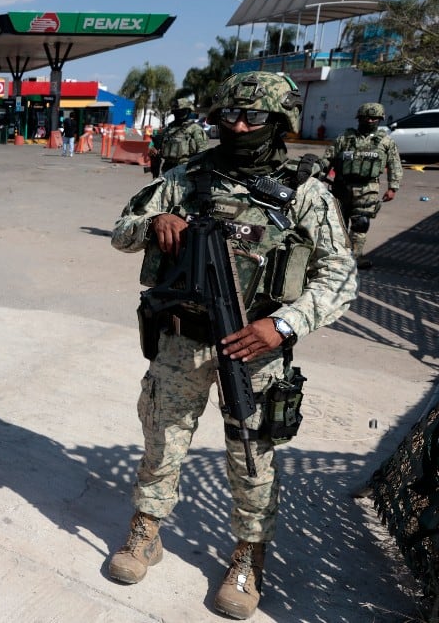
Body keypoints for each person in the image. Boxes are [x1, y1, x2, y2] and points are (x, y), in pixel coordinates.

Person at [108, 71, 356, 619]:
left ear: (280, 123)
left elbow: (340, 275)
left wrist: (285, 325)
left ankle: (248, 557)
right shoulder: (190, 175)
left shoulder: (306, 193)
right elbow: (122, 229)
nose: (239, 126)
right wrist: (155, 223)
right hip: (182, 343)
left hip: (256, 349)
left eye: (253, 118)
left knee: (251, 456)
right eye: (230, 116)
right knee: (161, 441)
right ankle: (146, 532)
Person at [322, 102, 403, 269]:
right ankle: (336, 256)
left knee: (361, 224)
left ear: (380, 120)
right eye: (367, 117)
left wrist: (393, 187)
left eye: (374, 118)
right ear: (359, 118)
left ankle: (356, 257)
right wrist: (318, 175)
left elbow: (395, 164)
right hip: (341, 187)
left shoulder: (386, 142)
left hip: (367, 189)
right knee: (337, 224)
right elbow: (328, 158)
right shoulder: (344, 138)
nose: (370, 121)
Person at [150, 98, 209, 179]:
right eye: (176, 111)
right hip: (167, 172)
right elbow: (156, 153)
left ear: (188, 111)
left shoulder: (195, 129)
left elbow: (203, 154)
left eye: (182, 111)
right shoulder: (168, 129)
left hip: (186, 172)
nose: (178, 113)